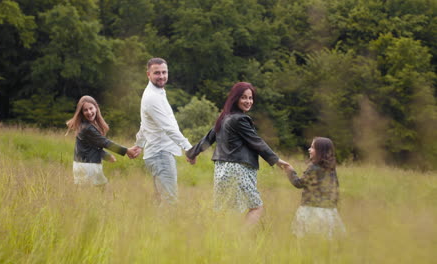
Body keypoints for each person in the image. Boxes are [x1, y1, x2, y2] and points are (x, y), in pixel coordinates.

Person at [185, 82, 290, 226]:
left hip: (221, 170)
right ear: (235, 98)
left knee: (228, 212)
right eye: (243, 98)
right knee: (256, 207)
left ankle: (227, 241)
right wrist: (276, 160)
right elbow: (256, 141)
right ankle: (242, 240)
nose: (248, 101)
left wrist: (192, 153)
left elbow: (208, 138)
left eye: (250, 98)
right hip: (238, 169)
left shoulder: (224, 117)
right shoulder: (240, 119)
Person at [129, 58, 192, 205]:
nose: (162, 76)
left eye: (164, 72)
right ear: (148, 74)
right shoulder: (152, 97)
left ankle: (155, 228)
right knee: (170, 201)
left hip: (158, 154)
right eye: (157, 73)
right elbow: (168, 127)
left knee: (160, 201)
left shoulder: (157, 92)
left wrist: (139, 144)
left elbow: (145, 123)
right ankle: (167, 227)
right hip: (161, 154)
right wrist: (189, 148)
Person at [66, 95, 136, 188]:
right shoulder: (88, 128)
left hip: (81, 165)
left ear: (96, 107)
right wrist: (127, 150)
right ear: (81, 113)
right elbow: (105, 142)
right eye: (85, 110)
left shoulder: (84, 125)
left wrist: (105, 155)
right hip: (88, 166)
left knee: (88, 196)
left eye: (91, 108)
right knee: (105, 193)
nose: (89, 112)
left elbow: (91, 146)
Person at [283, 137, 346, 239]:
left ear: (320, 151)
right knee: (325, 238)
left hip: (311, 209)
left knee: (309, 237)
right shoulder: (331, 168)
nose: (309, 149)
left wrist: (290, 171)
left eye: (312, 147)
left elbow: (299, 183)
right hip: (328, 210)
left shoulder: (313, 168)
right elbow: (336, 187)